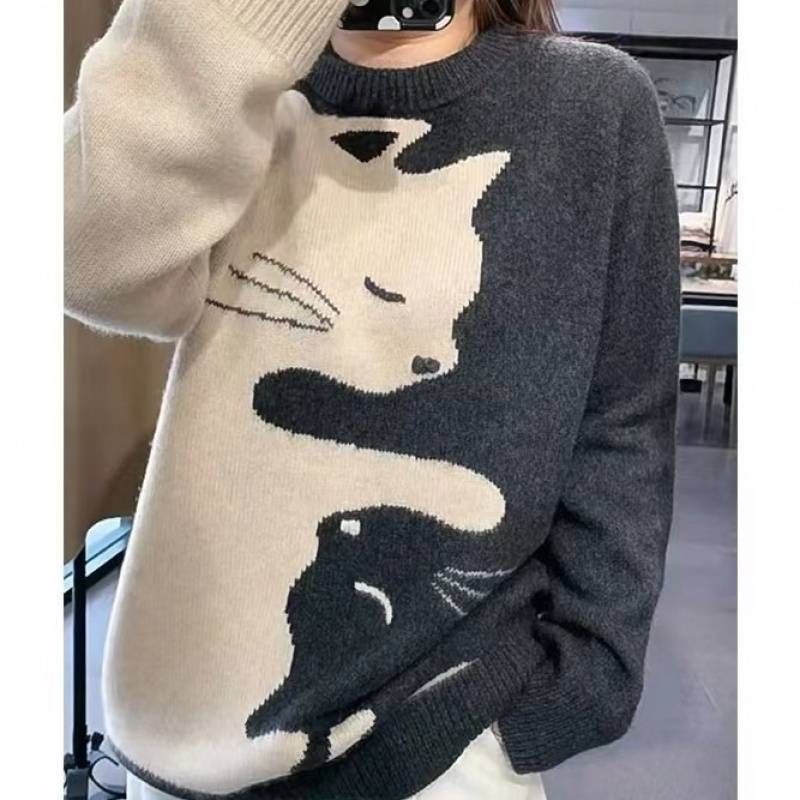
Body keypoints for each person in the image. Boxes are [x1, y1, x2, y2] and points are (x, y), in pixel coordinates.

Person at [64, 0, 680, 798]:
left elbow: (624, 418)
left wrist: (587, 675)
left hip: (444, 738)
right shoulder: (235, 83)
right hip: (180, 728)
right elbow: (84, 265)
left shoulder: (590, 106)